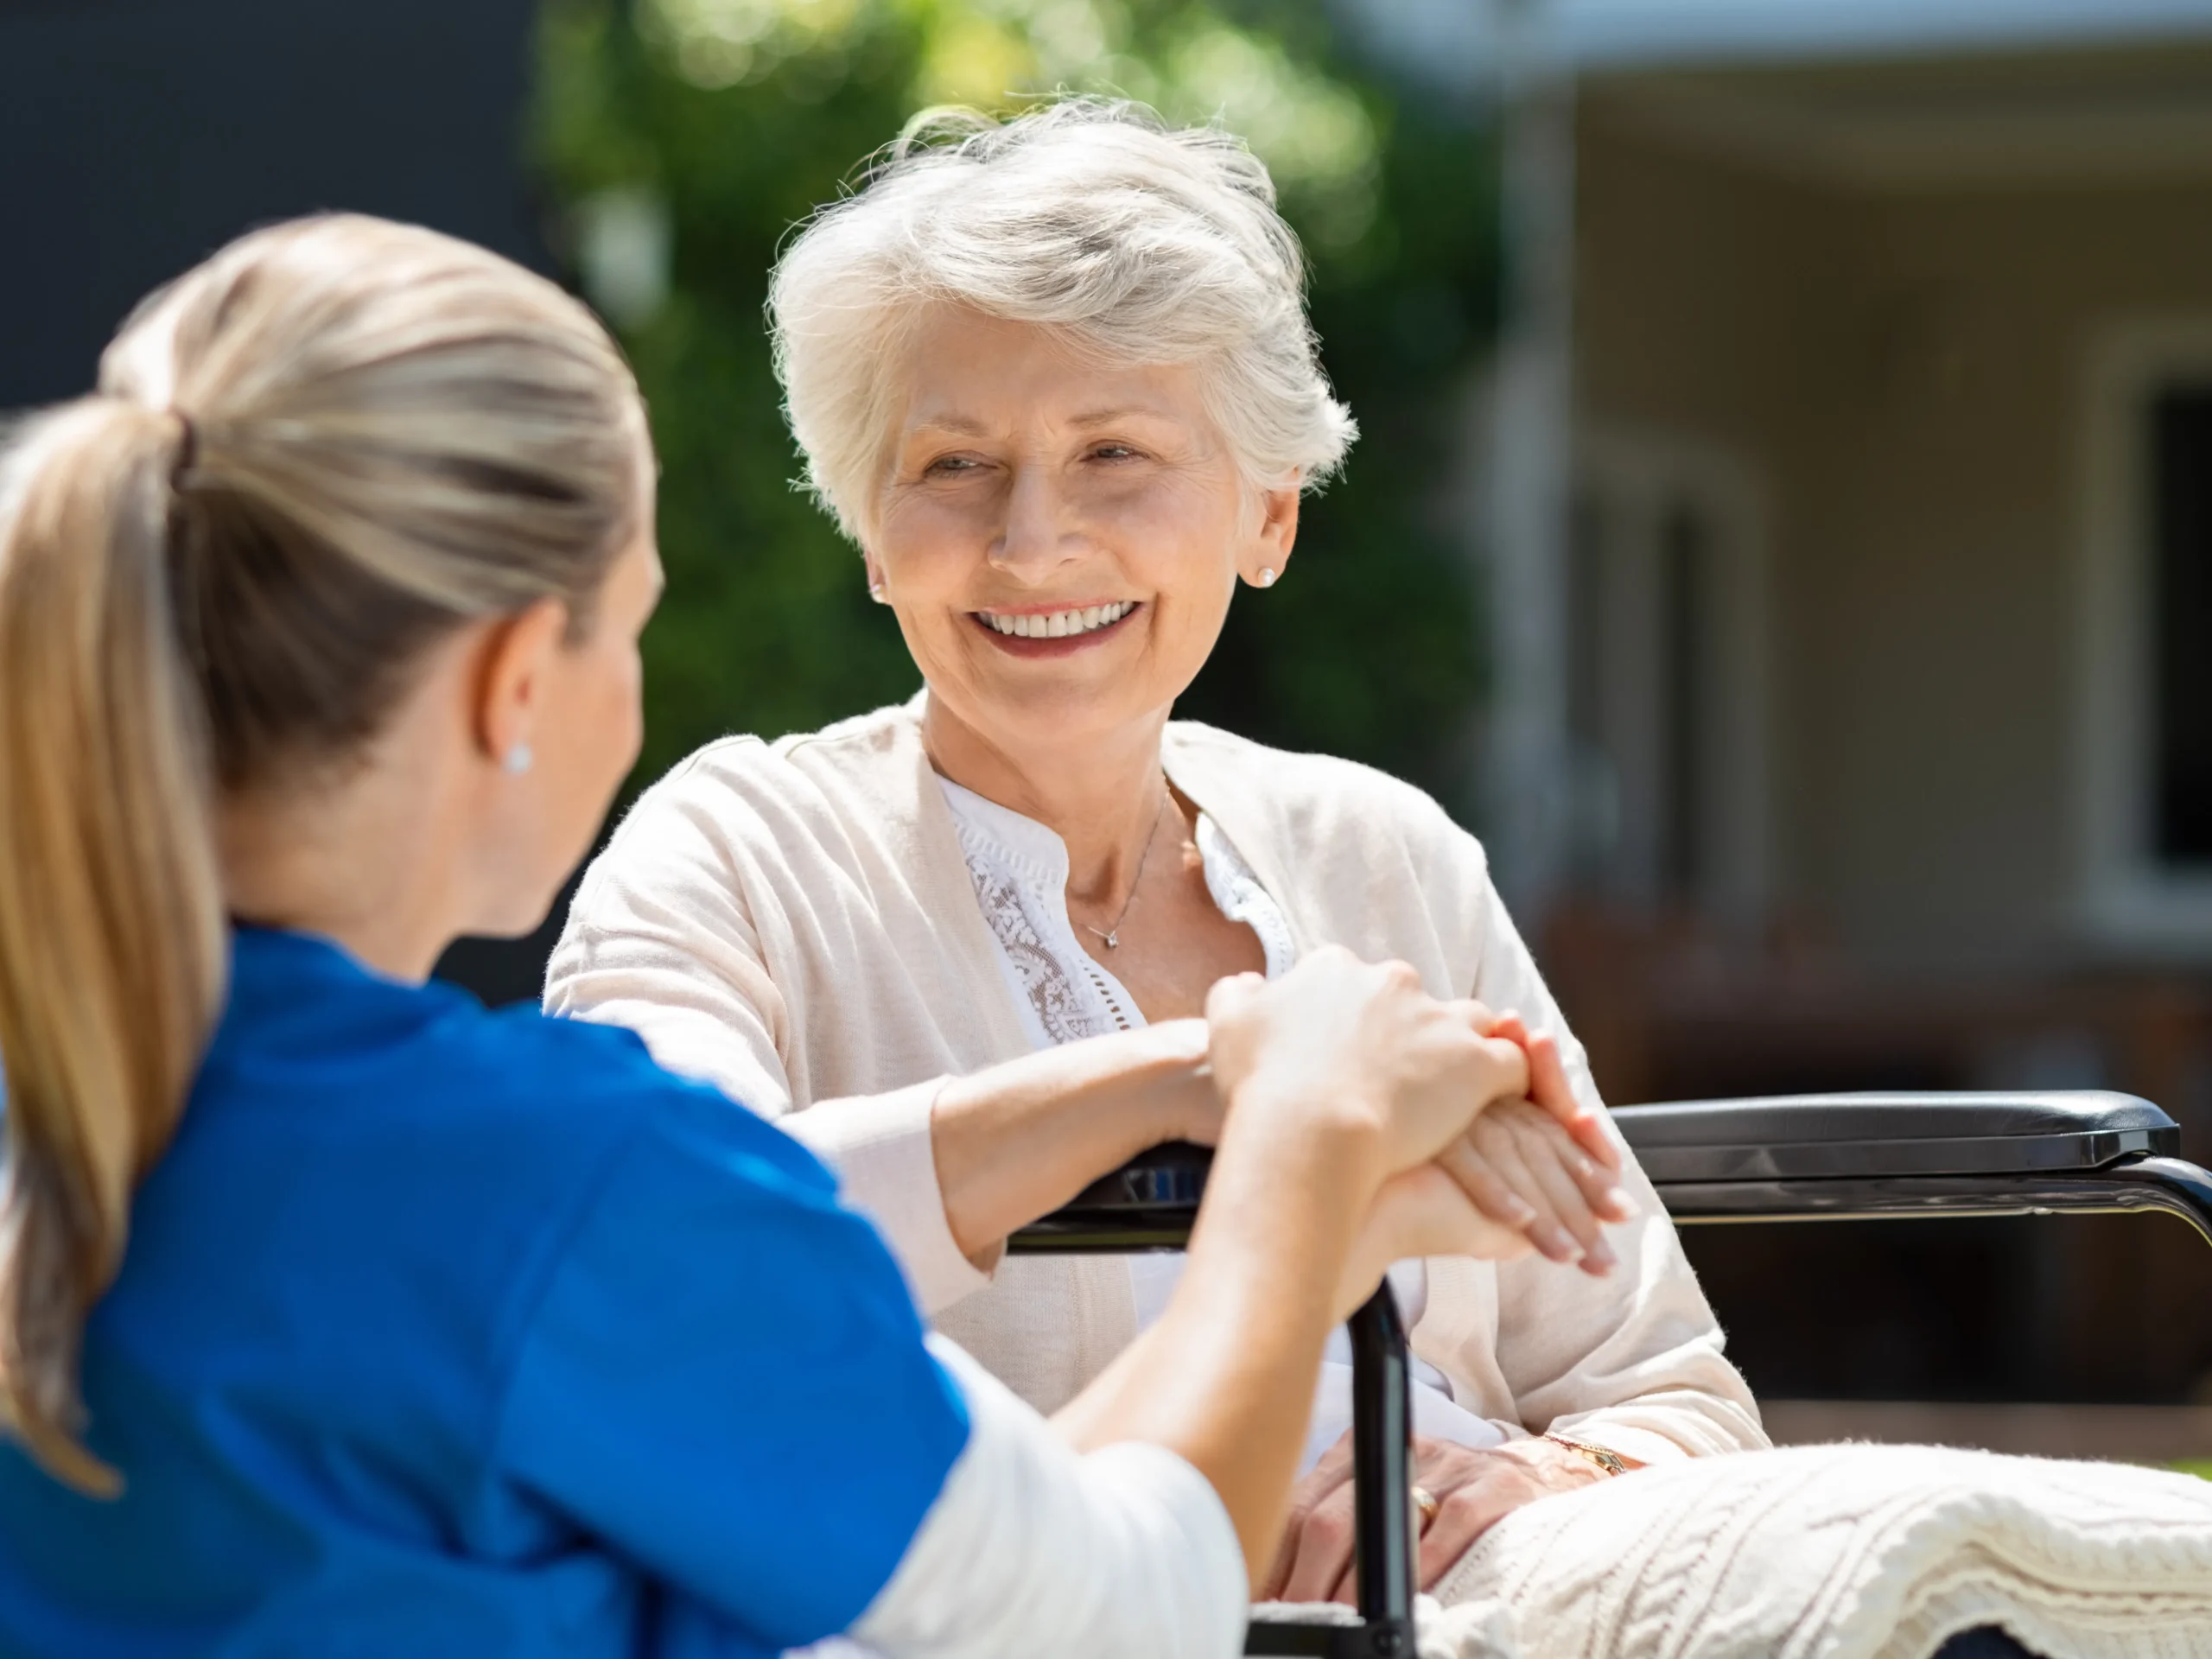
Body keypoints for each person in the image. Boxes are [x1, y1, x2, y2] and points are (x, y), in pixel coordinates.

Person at [0, 213, 1557, 1656]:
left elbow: (957, 1588)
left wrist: (1173, 1089)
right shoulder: (568, 1188)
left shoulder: (98, 1111)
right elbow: (1119, 1608)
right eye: (635, 617)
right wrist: (1302, 1153)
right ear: (515, 684)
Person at [543, 98, 1766, 1604]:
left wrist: (1532, 1477)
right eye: (953, 467)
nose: (1033, 542)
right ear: (871, 532)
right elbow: (665, 1262)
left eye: (1114, 452)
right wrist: (1212, 1078)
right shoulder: (733, 851)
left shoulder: (1385, 856)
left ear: (1268, 514)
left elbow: (1671, 1394)